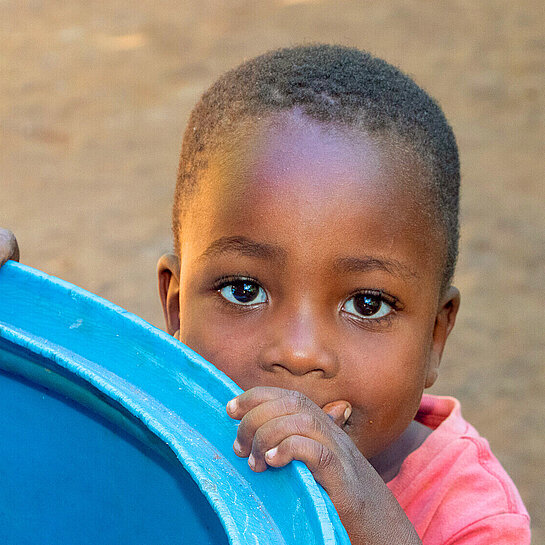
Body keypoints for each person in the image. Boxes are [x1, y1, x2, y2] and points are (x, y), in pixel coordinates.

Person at [1, 45, 530, 544]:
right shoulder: (147, 437)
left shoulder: (471, 513)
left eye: (366, 304)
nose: (299, 354)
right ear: (177, 305)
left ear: (436, 337)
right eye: (244, 290)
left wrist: (362, 514)